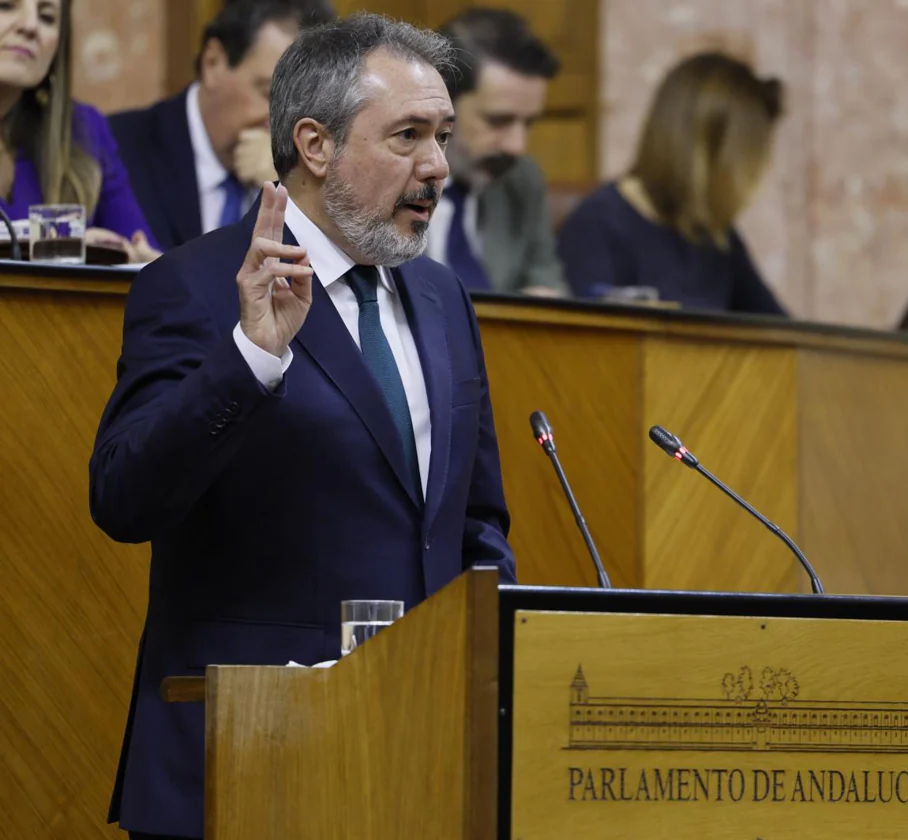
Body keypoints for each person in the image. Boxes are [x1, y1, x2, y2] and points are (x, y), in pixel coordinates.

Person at [90, 13, 514, 839]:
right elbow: (123, 499)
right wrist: (250, 355)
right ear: (314, 146)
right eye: (407, 136)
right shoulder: (195, 286)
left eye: (443, 136)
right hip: (245, 759)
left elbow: (475, 520)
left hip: (416, 762)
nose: (436, 167)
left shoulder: (442, 298)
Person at [557, 52, 786, 315]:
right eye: (751, 159)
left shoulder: (715, 235)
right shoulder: (597, 227)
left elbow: (781, 333)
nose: (757, 174)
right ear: (711, 156)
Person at [109, 0, 335, 252]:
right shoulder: (114, 150)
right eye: (271, 95)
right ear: (213, 63)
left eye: (303, 107)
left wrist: (287, 187)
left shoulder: (312, 174)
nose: (286, 123)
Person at [0, 0, 157, 262]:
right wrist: (63, 247)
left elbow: (144, 251)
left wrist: (130, 256)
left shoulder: (83, 129)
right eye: (5, 6)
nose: (30, 26)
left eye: (47, 17)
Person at [427, 6, 566, 296]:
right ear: (442, 101)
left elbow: (546, 278)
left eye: (528, 123)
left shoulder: (521, 180)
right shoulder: (388, 179)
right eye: (498, 121)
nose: (517, 146)